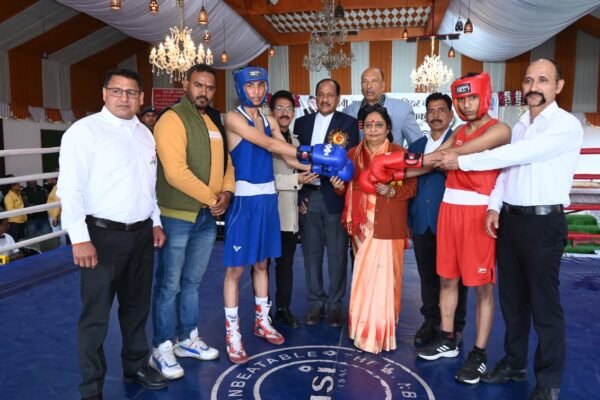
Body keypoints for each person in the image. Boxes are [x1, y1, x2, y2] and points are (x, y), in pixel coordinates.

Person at [438, 59, 582, 400]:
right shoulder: (521, 124)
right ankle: (514, 363)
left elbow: (519, 154)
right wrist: (493, 206)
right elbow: (506, 173)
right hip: (510, 220)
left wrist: (461, 160)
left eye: (543, 80)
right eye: (529, 80)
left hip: (544, 223)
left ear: (558, 86)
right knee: (512, 302)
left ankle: (548, 381)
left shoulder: (565, 124)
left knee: (544, 305)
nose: (534, 86)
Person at [58, 68, 168, 400]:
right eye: (117, 91)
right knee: (96, 316)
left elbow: (148, 185)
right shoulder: (84, 131)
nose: (124, 98)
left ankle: (136, 366)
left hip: (141, 234)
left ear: (141, 98)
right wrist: (79, 238)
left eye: (131, 92)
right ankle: (91, 387)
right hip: (100, 236)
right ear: (104, 93)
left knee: (136, 309)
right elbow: (70, 188)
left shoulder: (145, 134)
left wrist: (155, 220)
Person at [222, 66, 344, 364]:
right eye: (250, 87)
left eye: (260, 86)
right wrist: (314, 153)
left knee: (262, 264)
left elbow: (287, 153)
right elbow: (267, 144)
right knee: (236, 270)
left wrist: (320, 166)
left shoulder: (269, 119)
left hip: (268, 200)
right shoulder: (233, 117)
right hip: (245, 200)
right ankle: (232, 334)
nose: (256, 92)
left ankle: (262, 321)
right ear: (240, 88)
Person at [415, 72, 511, 385]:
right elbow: (436, 159)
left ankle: (479, 354)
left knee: (482, 286)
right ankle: (448, 338)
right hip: (449, 209)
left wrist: (443, 155)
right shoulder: (457, 131)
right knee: (447, 279)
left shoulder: (499, 129)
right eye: (462, 98)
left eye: (472, 97)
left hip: (477, 213)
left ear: (484, 96)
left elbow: (459, 153)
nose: (467, 104)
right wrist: (395, 166)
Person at [150, 64, 233, 379]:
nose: (204, 92)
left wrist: (227, 192)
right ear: (186, 84)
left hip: (206, 216)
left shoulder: (213, 120)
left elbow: (226, 161)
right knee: (169, 284)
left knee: (192, 283)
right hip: (177, 215)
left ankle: (186, 338)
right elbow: (175, 172)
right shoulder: (172, 119)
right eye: (198, 85)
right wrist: (213, 198)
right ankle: (162, 346)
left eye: (210, 87)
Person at [339, 105, 416, 353]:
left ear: (388, 128)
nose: (373, 129)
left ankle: (381, 333)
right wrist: (338, 186)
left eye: (379, 124)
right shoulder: (353, 154)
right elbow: (344, 189)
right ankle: (361, 330)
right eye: (369, 125)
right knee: (363, 279)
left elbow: (412, 188)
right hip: (361, 226)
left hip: (389, 224)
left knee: (385, 280)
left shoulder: (399, 153)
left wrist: (393, 191)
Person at [295, 78, 359, 327]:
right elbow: (294, 161)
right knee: (310, 255)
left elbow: (351, 161)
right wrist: (299, 195)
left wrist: (343, 188)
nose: (325, 99)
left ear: (338, 98)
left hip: (335, 197)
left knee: (337, 256)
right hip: (308, 197)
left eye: (330, 95)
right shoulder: (302, 123)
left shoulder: (348, 123)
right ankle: (315, 304)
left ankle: (334, 306)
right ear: (315, 97)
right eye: (320, 94)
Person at [408, 93, 468, 347]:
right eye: (431, 111)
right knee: (427, 275)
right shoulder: (416, 146)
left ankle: (456, 325)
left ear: (451, 114)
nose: (435, 115)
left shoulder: (462, 144)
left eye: (441, 110)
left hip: (450, 221)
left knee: (454, 277)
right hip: (421, 221)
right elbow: (407, 184)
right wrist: (408, 220)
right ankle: (430, 321)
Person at [269, 90, 318, 328]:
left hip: (289, 215)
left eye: (289, 108)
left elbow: (300, 177)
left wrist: (301, 196)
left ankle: (283, 308)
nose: (285, 113)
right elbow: (263, 179)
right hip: (267, 212)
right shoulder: (263, 140)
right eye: (279, 108)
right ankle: (262, 310)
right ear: (271, 113)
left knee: (285, 264)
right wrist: (296, 180)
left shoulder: (297, 142)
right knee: (261, 265)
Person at [342, 67, 422, 146]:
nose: (369, 86)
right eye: (364, 82)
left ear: (383, 86)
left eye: (374, 81)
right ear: (361, 86)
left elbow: (417, 143)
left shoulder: (403, 109)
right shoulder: (348, 111)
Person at [46, 175, 66, 247]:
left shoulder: (57, 188)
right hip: (58, 214)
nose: (47, 181)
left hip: (56, 215)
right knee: (61, 234)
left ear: (54, 180)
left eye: (49, 179)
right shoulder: (58, 187)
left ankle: (61, 250)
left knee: (59, 235)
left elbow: (57, 203)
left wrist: (54, 218)